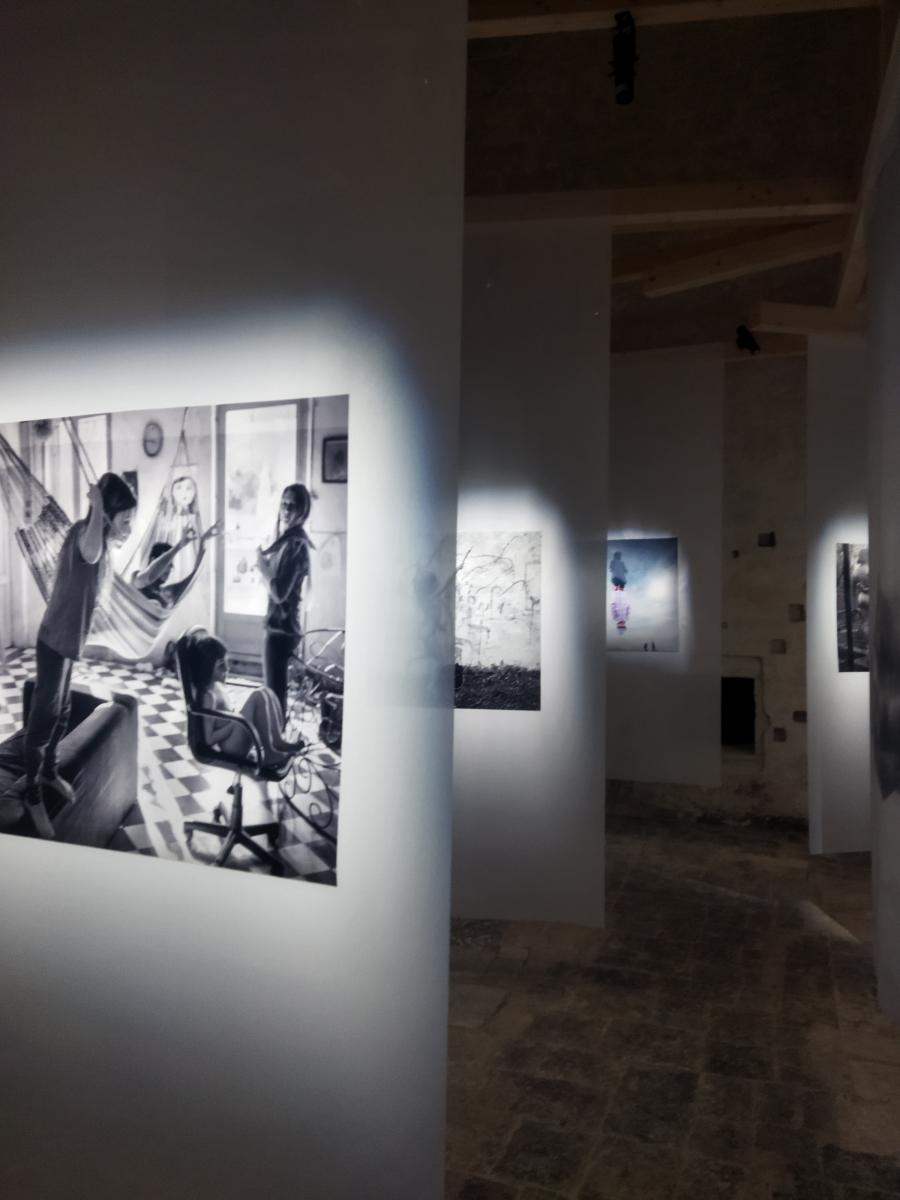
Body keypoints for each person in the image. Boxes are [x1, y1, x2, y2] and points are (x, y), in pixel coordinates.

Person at [24, 472, 137, 838]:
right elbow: (92, 549)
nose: (130, 529)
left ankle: (50, 771)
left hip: (67, 643)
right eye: (125, 521)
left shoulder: (100, 544)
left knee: (64, 713)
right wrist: (98, 503)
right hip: (53, 641)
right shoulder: (85, 539)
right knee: (45, 716)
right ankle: (31, 794)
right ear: (105, 517)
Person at [188, 633, 303, 768]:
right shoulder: (208, 697)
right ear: (206, 668)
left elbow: (225, 710)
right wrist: (233, 722)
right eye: (220, 665)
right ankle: (271, 755)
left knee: (266, 691)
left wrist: (236, 714)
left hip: (236, 733)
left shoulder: (216, 685)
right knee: (257, 696)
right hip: (232, 747)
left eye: (225, 662)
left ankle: (277, 742)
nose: (227, 668)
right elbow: (209, 739)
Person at [256, 483, 313, 716]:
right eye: (284, 504)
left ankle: (275, 744)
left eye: (293, 505)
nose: (287, 510)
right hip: (280, 626)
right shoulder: (286, 540)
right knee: (275, 691)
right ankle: (276, 739)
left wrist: (261, 567)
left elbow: (279, 593)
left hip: (282, 630)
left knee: (274, 693)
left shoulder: (295, 545)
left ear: (303, 510)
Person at [132, 520, 223, 608]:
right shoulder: (137, 582)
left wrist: (204, 541)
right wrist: (178, 546)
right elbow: (150, 576)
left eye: (170, 565)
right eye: (166, 563)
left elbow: (194, 575)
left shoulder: (168, 593)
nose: (169, 569)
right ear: (153, 560)